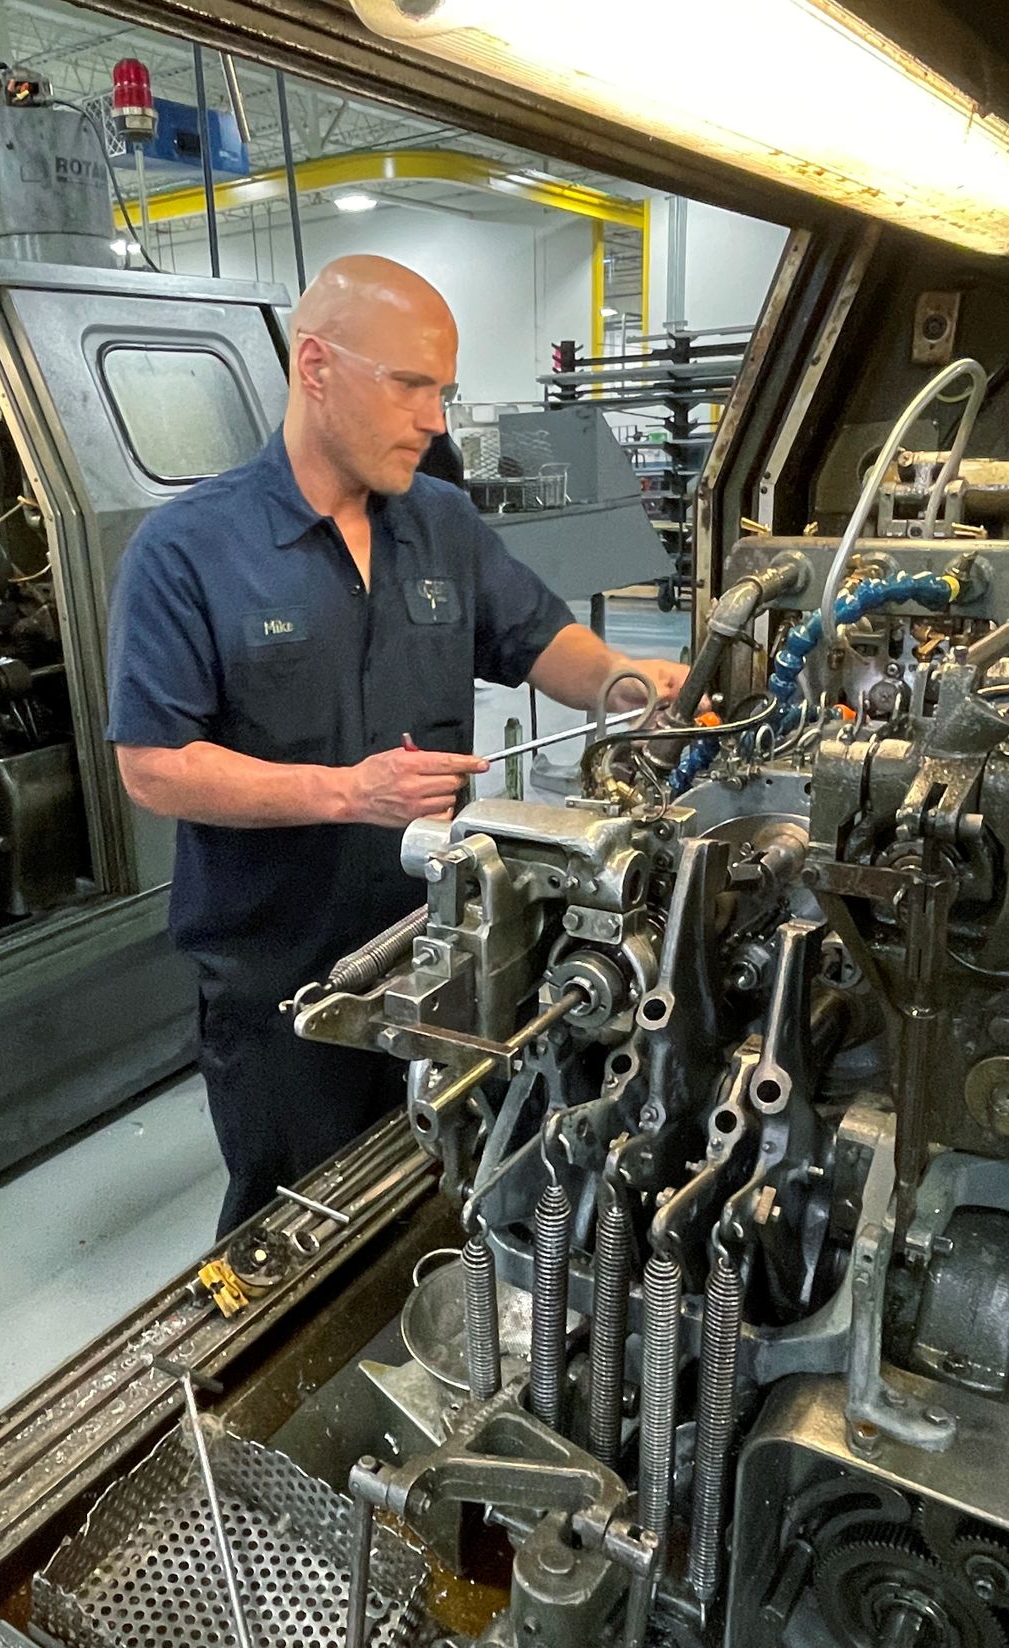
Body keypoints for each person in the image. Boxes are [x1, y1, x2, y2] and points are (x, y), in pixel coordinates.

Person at [106, 255, 690, 1235]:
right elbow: (153, 765)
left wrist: (636, 684)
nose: (434, 420)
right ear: (315, 367)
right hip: (286, 979)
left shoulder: (441, 521)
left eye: (442, 391)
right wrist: (349, 793)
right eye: (409, 385)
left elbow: (541, 640)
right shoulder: (186, 550)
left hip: (447, 945)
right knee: (296, 1223)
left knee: (446, 1179)